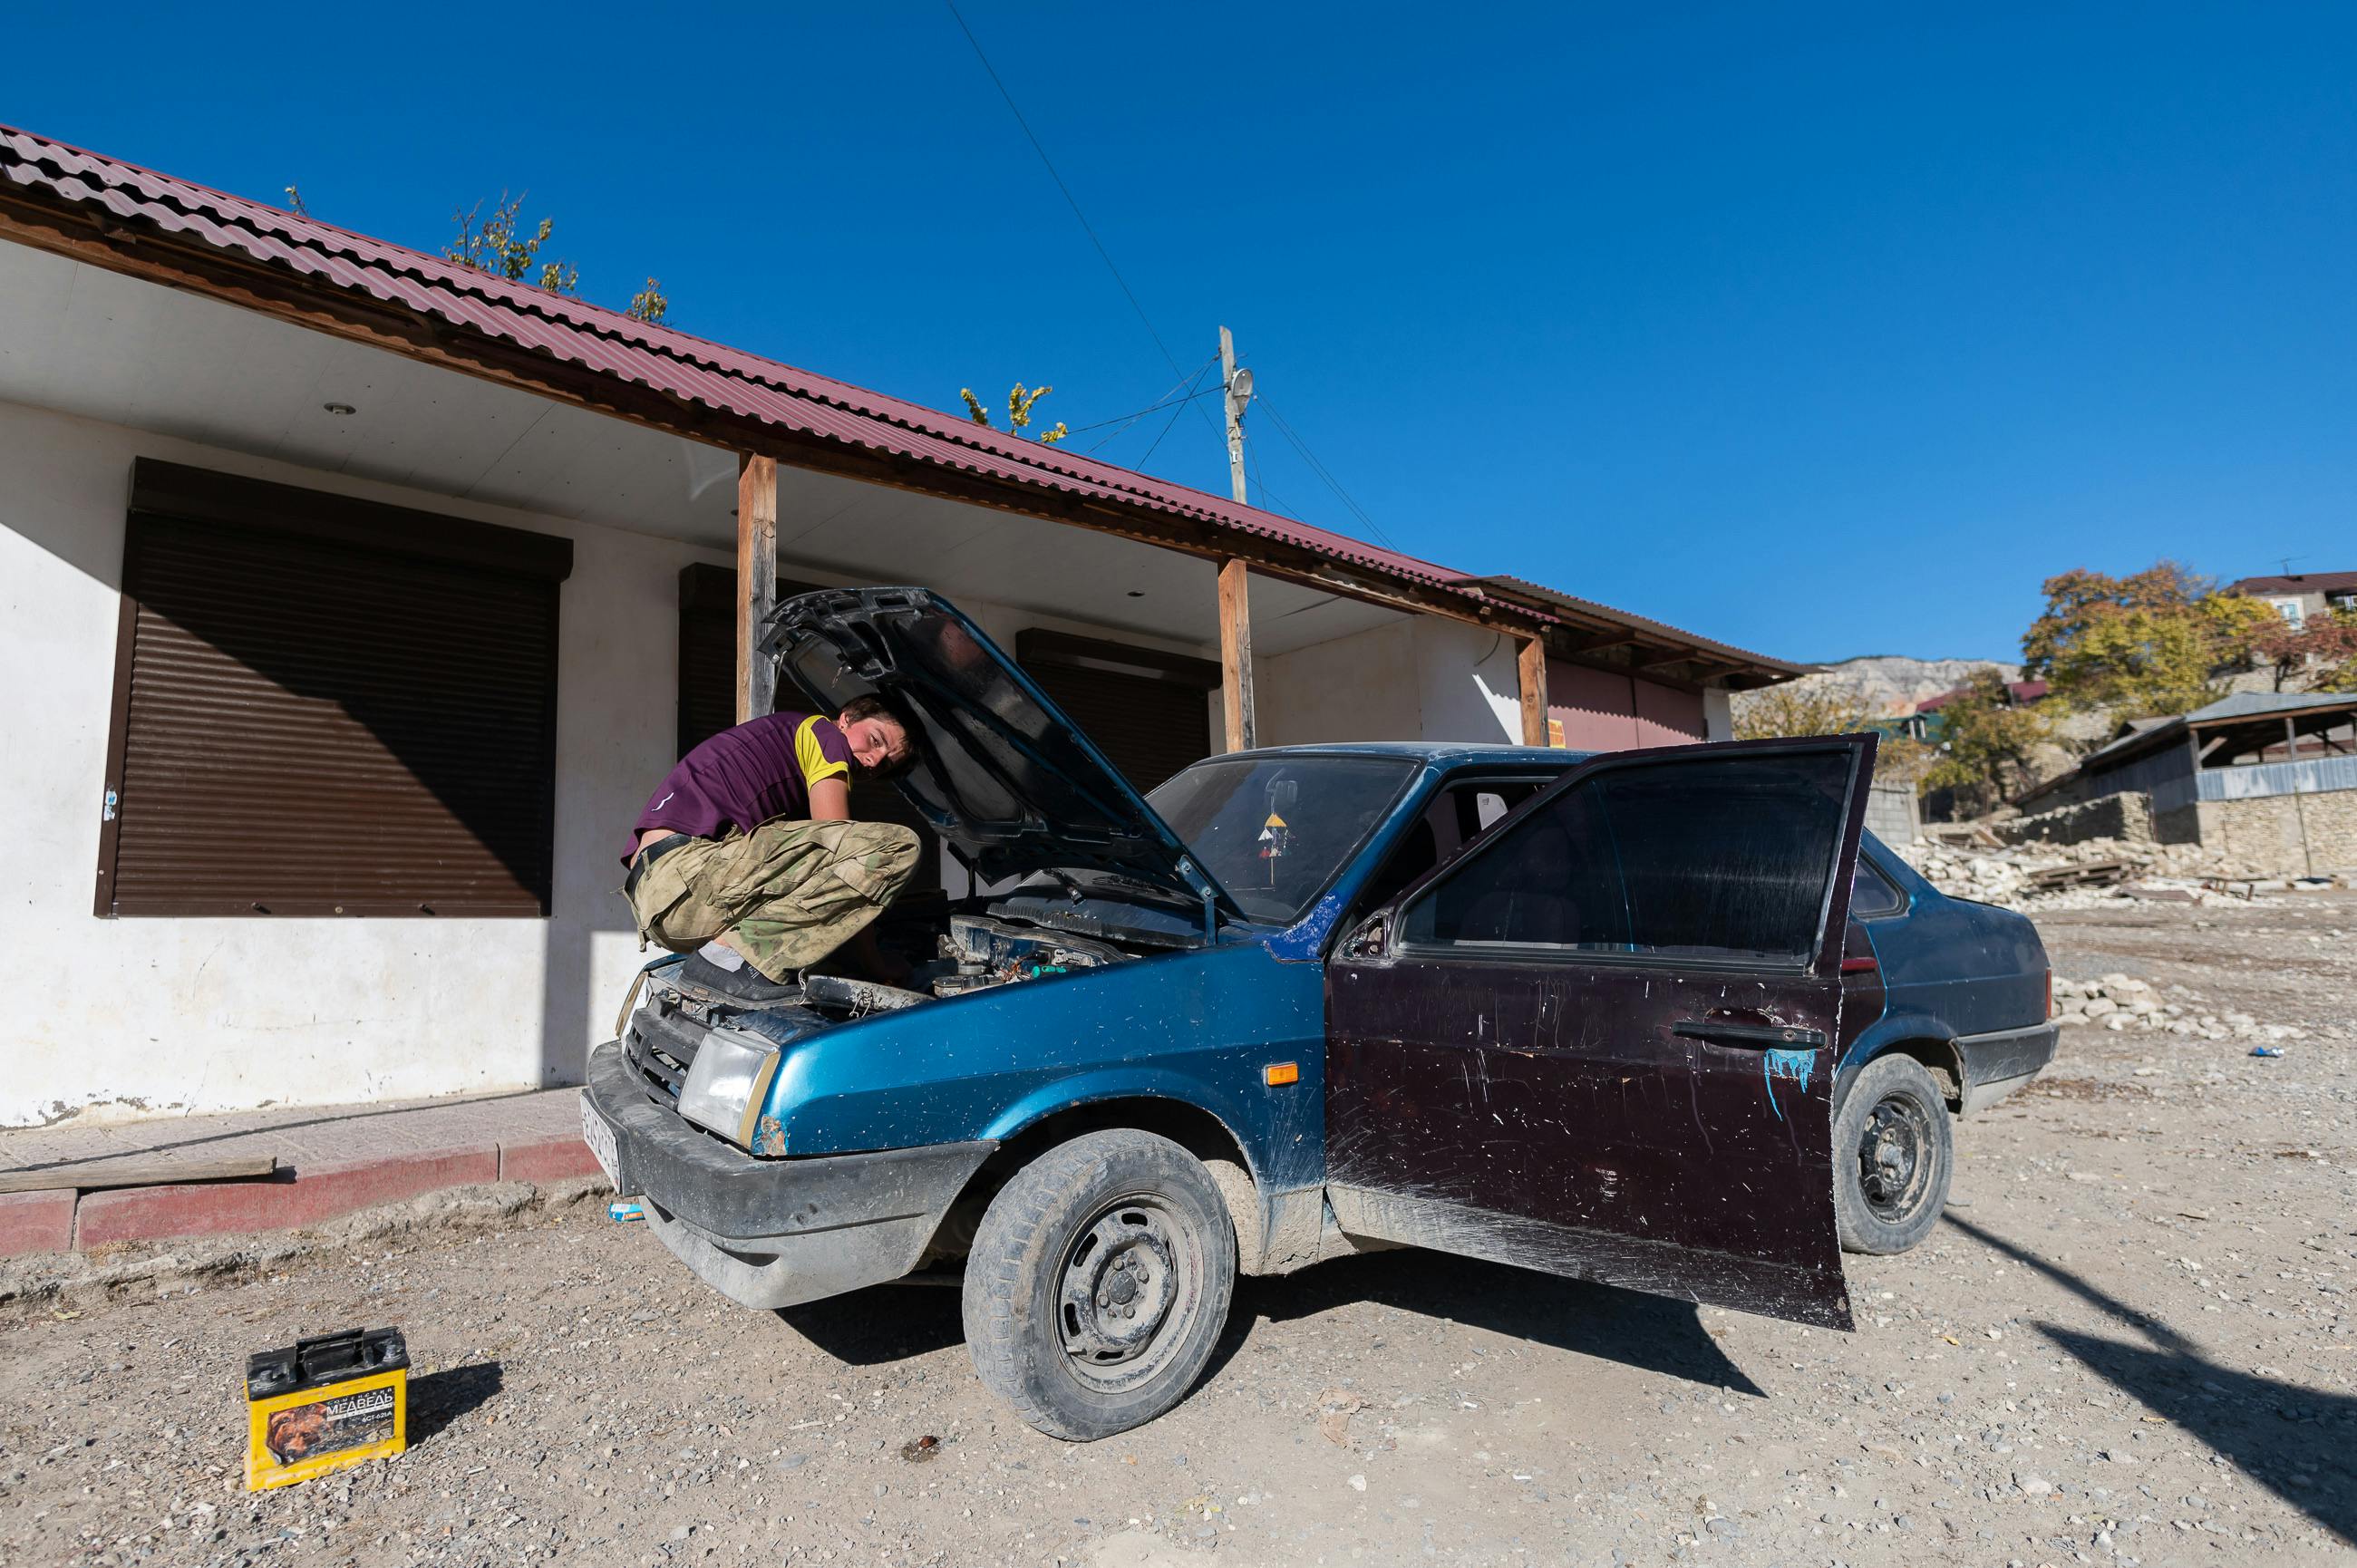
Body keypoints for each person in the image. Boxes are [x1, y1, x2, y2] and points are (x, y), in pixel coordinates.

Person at [621, 695, 922, 1002]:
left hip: (661, 901)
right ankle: (726, 957)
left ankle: (727, 955)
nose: (874, 760)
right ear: (846, 718)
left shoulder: (786, 758)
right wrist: (874, 963)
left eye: (885, 762)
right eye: (875, 740)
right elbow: (840, 847)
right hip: (687, 877)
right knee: (894, 846)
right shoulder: (825, 735)